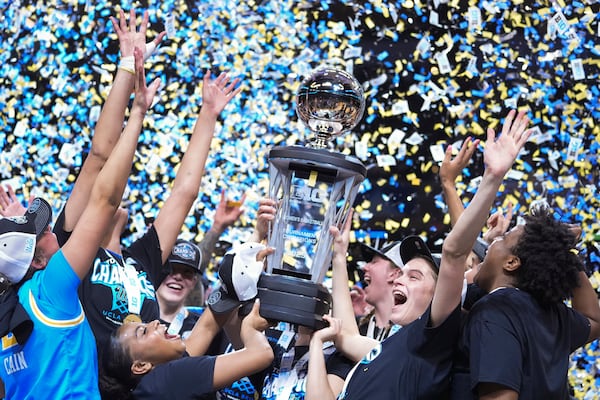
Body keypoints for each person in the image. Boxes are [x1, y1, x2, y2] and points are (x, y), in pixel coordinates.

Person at [51, 7, 242, 355]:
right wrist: (127, 65)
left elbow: (184, 194)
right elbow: (99, 160)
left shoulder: (142, 260)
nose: (117, 198)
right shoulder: (73, 247)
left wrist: (209, 114)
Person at [306, 109, 533, 399]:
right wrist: (339, 257)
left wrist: (492, 177)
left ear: (440, 297)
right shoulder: (396, 345)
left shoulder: (431, 340)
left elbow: (453, 253)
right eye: (401, 274)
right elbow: (346, 336)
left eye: (414, 277)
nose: (398, 281)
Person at [0, 47, 160, 399]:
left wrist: (125, 67)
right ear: (38, 261)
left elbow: (96, 161)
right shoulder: (50, 288)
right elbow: (104, 199)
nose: (49, 228)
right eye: (40, 232)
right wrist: (138, 114)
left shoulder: (6, 313)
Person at [451, 203, 600, 399]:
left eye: (502, 238)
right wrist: (567, 254)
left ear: (511, 263)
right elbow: (594, 320)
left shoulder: (493, 311)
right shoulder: (552, 312)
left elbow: (502, 397)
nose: (492, 241)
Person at [102, 242, 274, 399]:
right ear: (141, 366)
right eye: (144, 331)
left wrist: (232, 281)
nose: (154, 323)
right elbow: (261, 354)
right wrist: (250, 328)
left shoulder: (153, 384)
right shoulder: (169, 378)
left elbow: (207, 327)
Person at [156, 239, 203, 339]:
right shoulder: (134, 315)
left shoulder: (199, 328)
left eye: (187, 273)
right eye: (171, 269)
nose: (178, 277)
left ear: (193, 283)